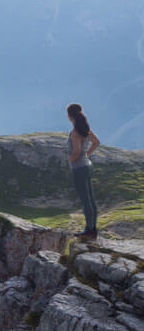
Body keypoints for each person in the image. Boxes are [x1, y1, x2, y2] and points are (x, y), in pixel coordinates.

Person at [66, 102, 100, 239]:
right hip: (88, 166)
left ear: (70, 116)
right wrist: (87, 154)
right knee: (91, 199)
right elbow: (96, 142)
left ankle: (88, 230)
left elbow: (76, 151)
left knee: (85, 200)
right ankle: (93, 228)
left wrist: (71, 159)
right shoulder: (86, 129)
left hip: (79, 168)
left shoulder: (75, 132)